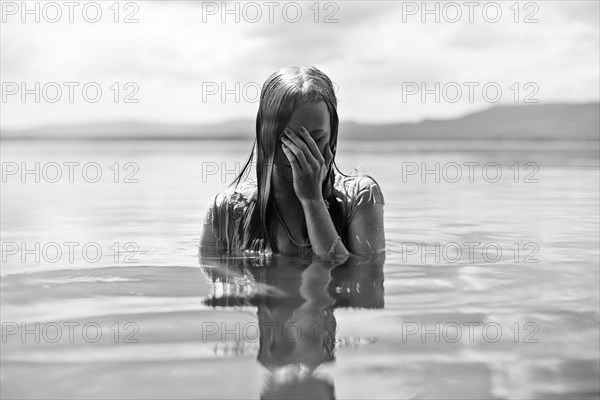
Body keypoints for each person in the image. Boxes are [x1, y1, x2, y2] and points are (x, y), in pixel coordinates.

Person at [200, 66, 385, 259]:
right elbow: (217, 278)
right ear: (264, 136)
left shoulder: (361, 197)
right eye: (286, 138)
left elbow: (364, 279)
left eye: (314, 139)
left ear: (332, 137)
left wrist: (313, 201)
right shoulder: (227, 211)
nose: (298, 152)